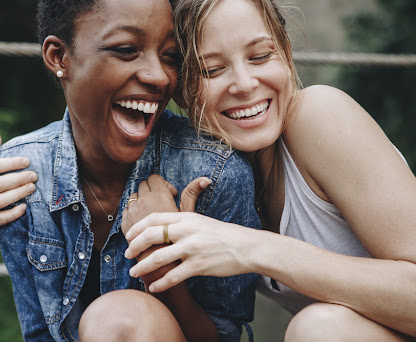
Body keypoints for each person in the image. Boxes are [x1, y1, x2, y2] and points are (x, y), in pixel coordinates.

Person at [0, 0, 261, 341]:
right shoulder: (20, 180)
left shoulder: (213, 174)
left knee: (120, 318)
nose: (158, 75)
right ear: (59, 57)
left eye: (171, 56)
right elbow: (38, 332)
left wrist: (164, 271)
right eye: (125, 49)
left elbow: (225, 336)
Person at [122, 0, 416, 341]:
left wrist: (252, 249)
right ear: (184, 88)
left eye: (260, 56)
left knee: (320, 329)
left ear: (286, 55)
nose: (245, 84)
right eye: (213, 70)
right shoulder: (215, 175)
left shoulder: (320, 116)